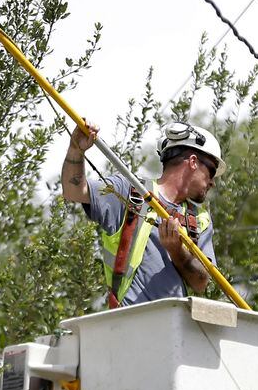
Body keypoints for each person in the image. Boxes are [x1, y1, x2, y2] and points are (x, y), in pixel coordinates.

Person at [61, 121, 224, 307]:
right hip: (129, 318)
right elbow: (74, 191)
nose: (212, 182)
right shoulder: (130, 192)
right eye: (211, 171)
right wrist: (76, 149)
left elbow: (201, 283)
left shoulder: (200, 219)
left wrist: (177, 251)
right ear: (193, 162)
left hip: (174, 321)